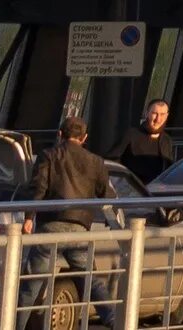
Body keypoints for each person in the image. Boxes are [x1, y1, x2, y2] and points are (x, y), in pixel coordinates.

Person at [29, 118, 118, 330]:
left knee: (32, 283)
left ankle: (14, 324)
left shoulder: (48, 155)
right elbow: (107, 194)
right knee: (90, 279)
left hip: (50, 225)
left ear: (60, 134)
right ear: (84, 138)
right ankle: (114, 320)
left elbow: (37, 189)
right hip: (79, 228)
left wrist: (27, 218)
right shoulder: (96, 161)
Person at [109, 99, 176, 190]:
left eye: (162, 114)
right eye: (154, 113)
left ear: (167, 116)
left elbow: (169, 167)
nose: (158, 119)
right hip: (132, 191)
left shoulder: (166, 140)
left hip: (156, 191)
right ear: (146, 113)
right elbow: (113, 160)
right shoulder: (131, 134)